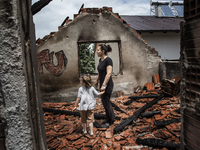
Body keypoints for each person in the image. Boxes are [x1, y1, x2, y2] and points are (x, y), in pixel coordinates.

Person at [94, 44, 115, 128]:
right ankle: (109, 118)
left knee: (106, 102)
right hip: (102, 85)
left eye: (98, 50)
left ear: (103, 51)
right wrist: (97, 80)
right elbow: (100, 72)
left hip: (107, 85)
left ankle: (110, 121)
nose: (96, 51)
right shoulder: (101, 60)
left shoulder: (108, 60)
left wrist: (104, 85)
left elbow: (109, 73)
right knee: (105, 102)